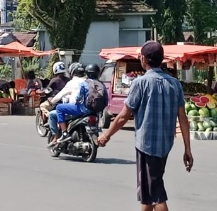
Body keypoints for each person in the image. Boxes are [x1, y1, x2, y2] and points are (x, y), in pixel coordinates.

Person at [97, 41, 193, 211]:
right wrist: (187, 149)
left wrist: (106, 135)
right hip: (165, 144)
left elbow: (123, 116)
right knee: (148, 193)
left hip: (147, 145)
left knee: (156, 194)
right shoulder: (174, 84)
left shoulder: (140, 83)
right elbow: (183, 118)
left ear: (143, 59)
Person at [54, 63, 104, 144]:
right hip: (96, 111)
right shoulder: (101, 84)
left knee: (59, 107)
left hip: (83, 109)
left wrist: (77, 101)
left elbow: (79, 97)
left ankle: (64, 133)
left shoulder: (85, 83)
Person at [44, 63, 86, 145]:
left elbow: (59, 95)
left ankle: (61, 134)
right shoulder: (88, 81)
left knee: (53, 114)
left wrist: (52, 102)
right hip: (88, 110)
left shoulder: (71, 83)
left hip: (75, 109)